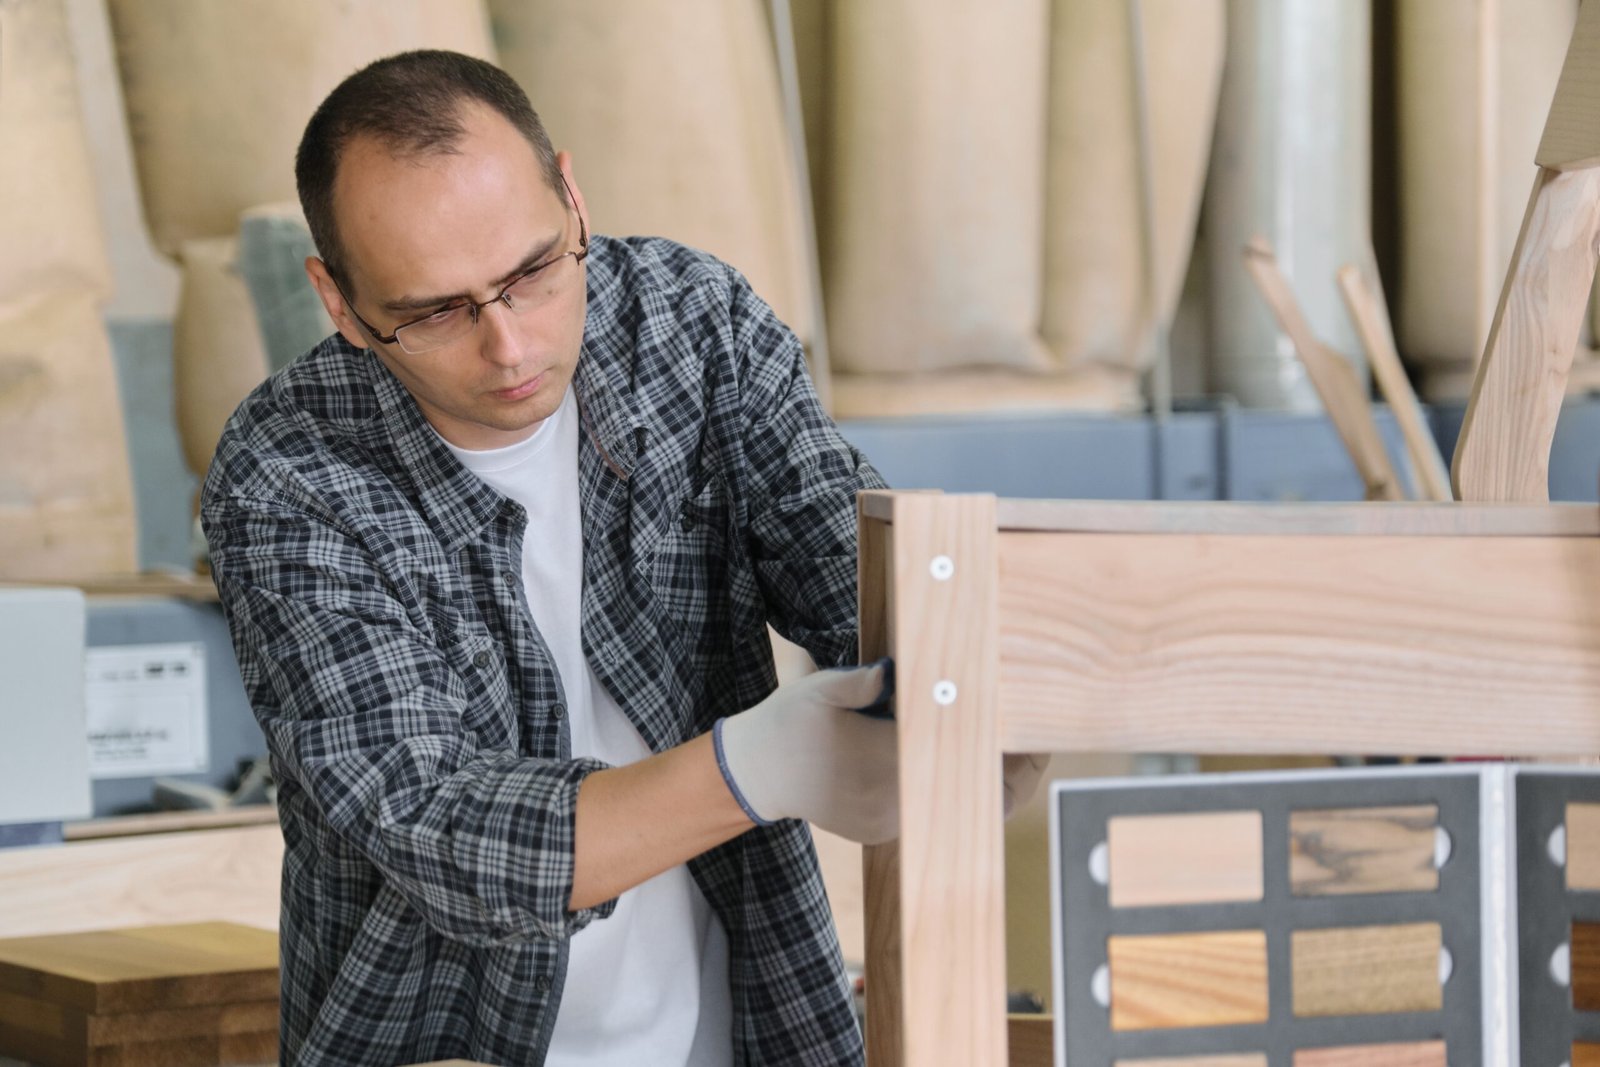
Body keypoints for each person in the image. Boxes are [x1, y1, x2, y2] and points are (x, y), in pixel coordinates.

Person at [203, 49, 1042, 1067]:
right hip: (436, 1035)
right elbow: (431, 822)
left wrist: (992, 680)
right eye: (433, 311)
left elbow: (851, 564)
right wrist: (764, 763)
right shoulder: (286, 471)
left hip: (749, 1018)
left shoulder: (690, 326)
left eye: (531, 273)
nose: (508, 346)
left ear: (570, 193)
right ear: (338, 301)